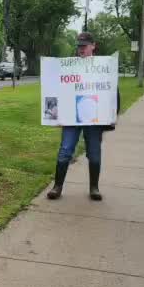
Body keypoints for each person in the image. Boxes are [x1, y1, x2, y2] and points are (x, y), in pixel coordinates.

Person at [46, 32, 119, 201]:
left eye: (85, 45)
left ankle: (94, 187)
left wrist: (112, 115)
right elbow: (56, 88)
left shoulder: (103, 66)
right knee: (65, 150)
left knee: (94, 153)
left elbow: (112, 92)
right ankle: (57, 186)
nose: (81, 49)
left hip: (93, 116)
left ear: (93, 46)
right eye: (79, 45)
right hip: (71, 115)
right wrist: (53, 114)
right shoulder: (68, 66)